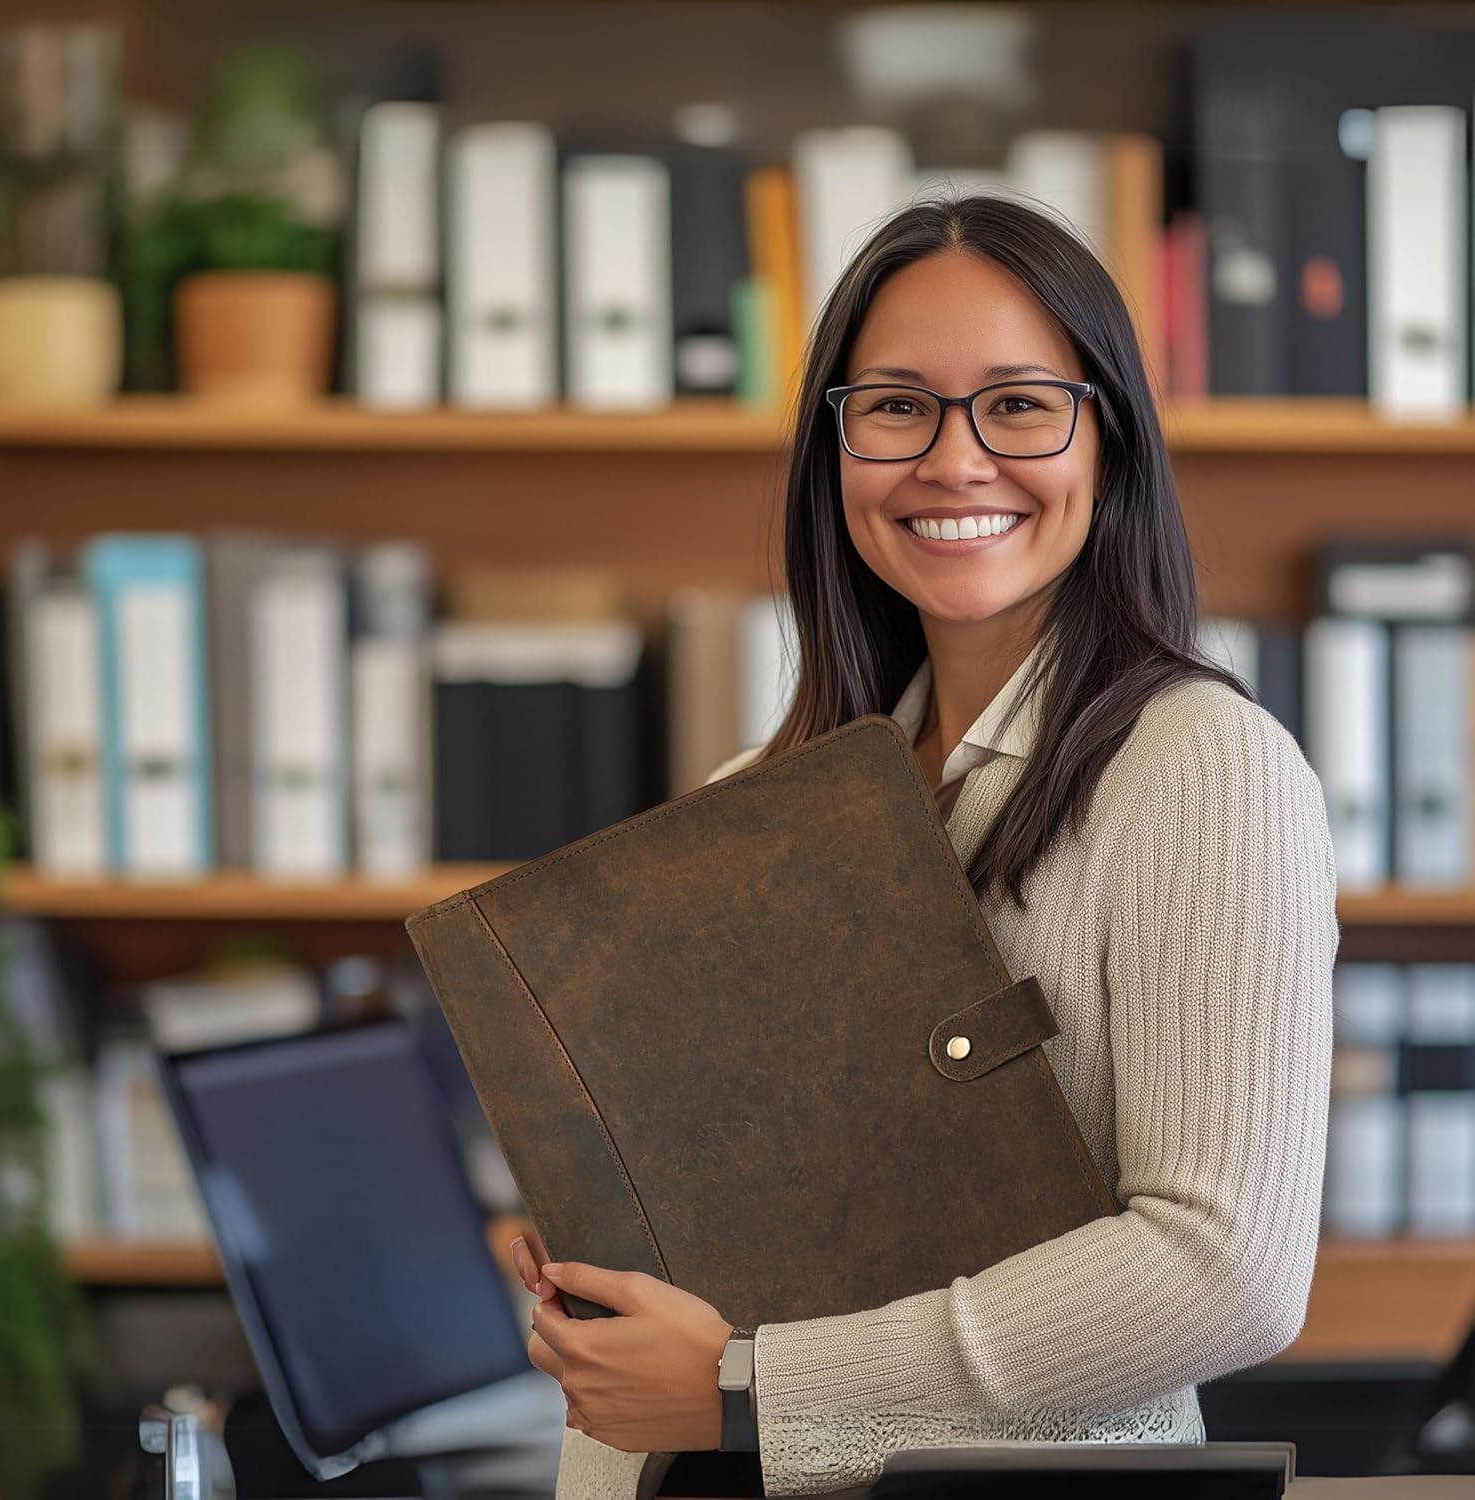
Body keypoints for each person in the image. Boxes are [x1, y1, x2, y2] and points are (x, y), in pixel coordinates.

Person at [511, 192, 1339, 1499]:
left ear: (1109, 443)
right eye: (895, 405)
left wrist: (750, 1387)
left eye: (1018, 403)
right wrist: (605, 1287)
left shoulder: (1200, 771)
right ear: (832, 449)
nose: (953, 462)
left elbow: (1223, 1271)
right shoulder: (761, 797)